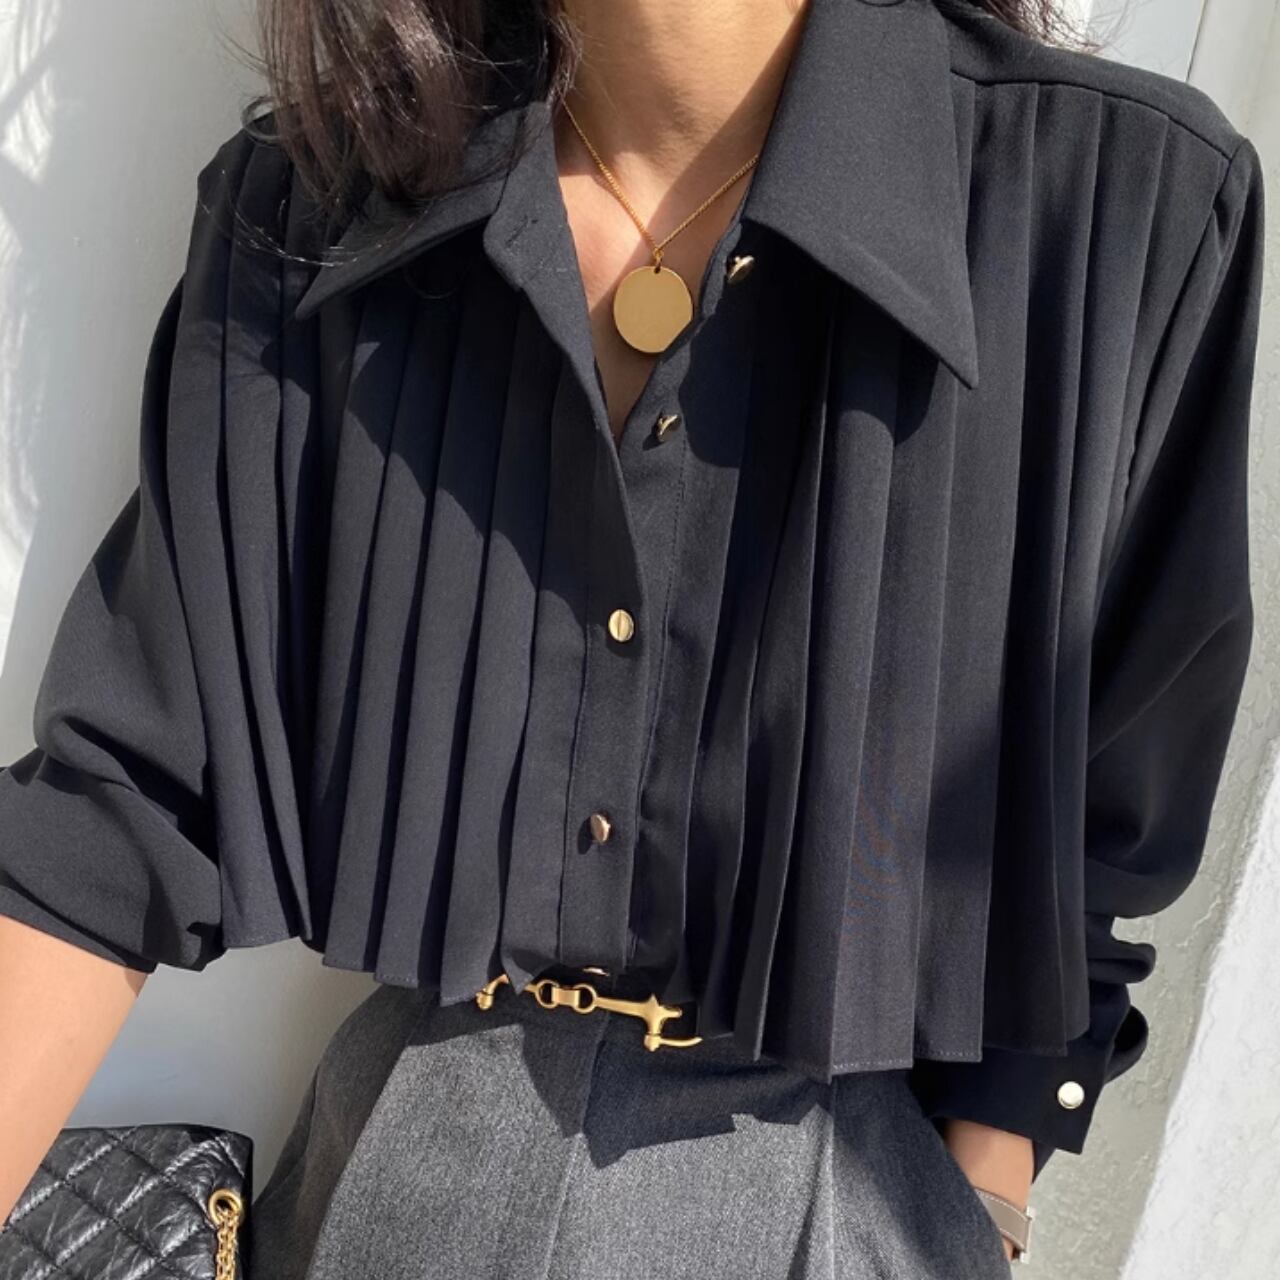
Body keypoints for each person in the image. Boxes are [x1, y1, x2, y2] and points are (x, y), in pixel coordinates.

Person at [0, 0, 1265, 1274]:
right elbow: (120, 808)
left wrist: (978, 1207)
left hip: (838, 1209)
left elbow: (1097, 844)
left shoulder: (1120, 213)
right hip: (391, 1191)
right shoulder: (316, 212)